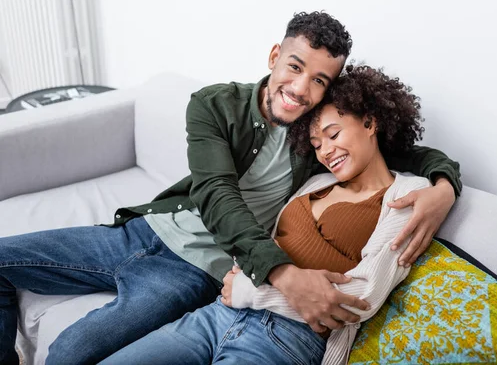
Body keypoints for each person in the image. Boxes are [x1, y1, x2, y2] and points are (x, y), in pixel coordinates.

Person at [0, 12, 460, 365]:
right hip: (147, 231)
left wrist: (444, 187)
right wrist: (282, 274)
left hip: (194, 273)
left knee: (70, 353)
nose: (300, 90)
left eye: (318, 80)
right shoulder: (214, 104)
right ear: (274, 55)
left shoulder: (317, 139)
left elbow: (396, 151)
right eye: (295, 67)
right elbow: (217, 194)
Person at [100, 64, 434, 365]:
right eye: (317, 144)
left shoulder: (408, 195)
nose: (327, 151)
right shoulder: (315, 180)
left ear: (370, 123)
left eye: (333, 135)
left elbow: (362, 296)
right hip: (220, 313)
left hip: (289, 337)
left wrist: (251, 291)